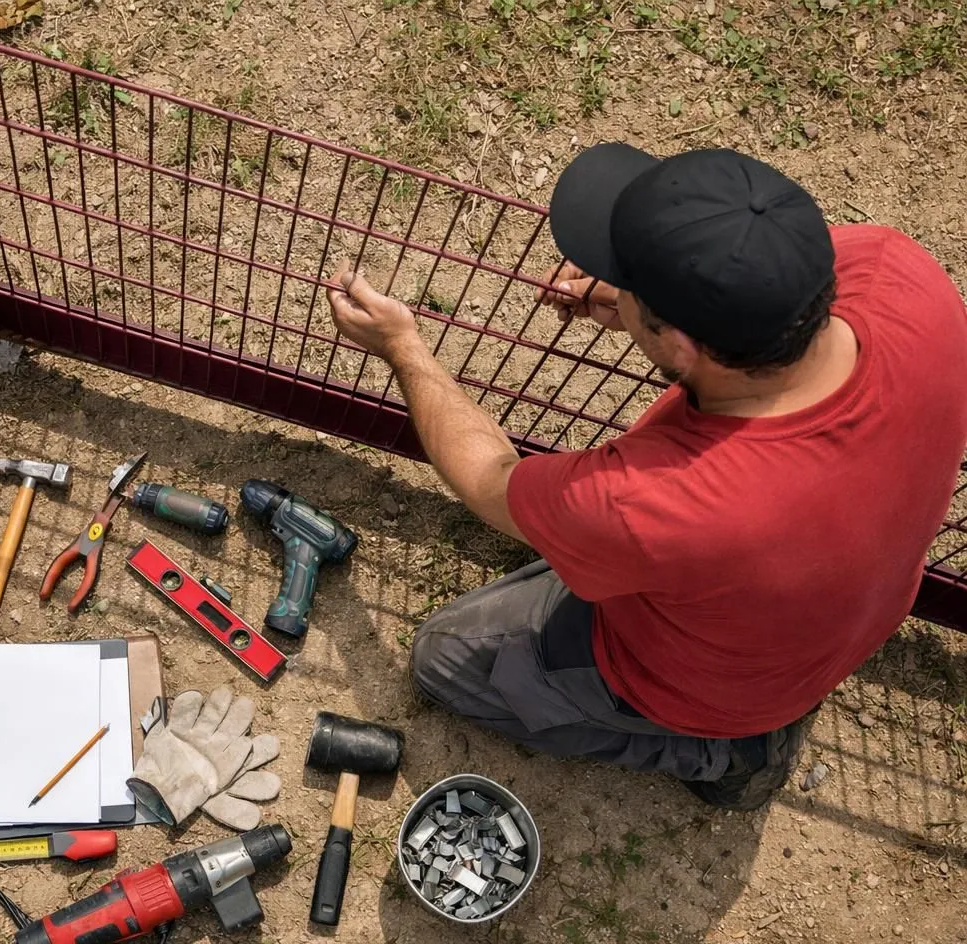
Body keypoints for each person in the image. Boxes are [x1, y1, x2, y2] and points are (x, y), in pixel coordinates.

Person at [326, 143, 967, 809]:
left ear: (684, 344)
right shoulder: (901, 272)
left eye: (628, 285)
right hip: (836, 612)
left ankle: (727, 754)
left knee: (443, 660)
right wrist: (641, 307)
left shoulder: (658, 503)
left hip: (717, 684)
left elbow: (491, 481)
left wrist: (404, 349)